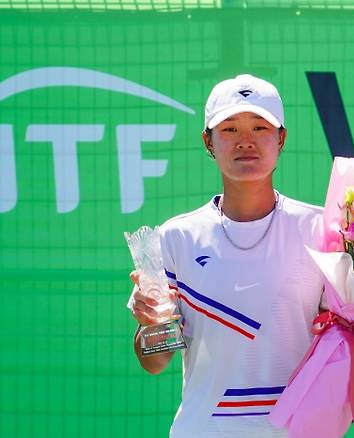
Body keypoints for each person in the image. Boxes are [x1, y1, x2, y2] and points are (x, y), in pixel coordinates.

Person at [129, 74, 325, 437]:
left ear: (281, 138)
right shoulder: (177, 236)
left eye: (260, 127)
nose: (246, 141)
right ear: (208, 141)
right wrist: (151, 324)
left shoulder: (321, 229)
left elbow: (345, 342)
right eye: (230, 129)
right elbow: (155, 362)